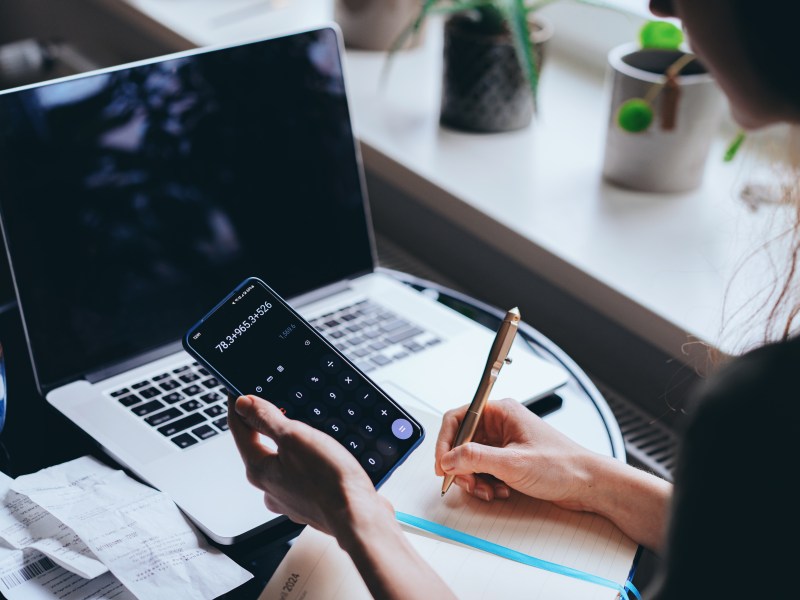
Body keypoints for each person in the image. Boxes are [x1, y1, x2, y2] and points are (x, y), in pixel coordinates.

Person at [228, 1, 800, 597]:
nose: (658, 5)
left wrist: (356, 516)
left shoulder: (764, 410)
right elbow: (773, 545)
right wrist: (587, 478)